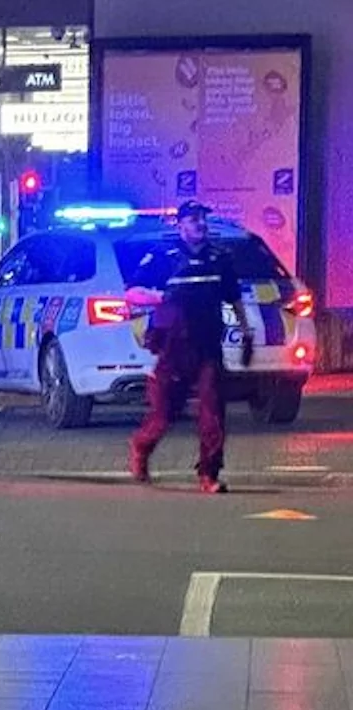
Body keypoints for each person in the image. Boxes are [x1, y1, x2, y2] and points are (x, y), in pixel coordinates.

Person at [125, 200, 254, 494]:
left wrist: (246, 333)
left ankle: (209, 473)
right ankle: (141, 449)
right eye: (194, 219)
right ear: (180, 225)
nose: (200, 224)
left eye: (203, 219)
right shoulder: (163, 257)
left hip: (208, 344)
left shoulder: (220, 258)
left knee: (213, 410)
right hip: (173, 347)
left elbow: (234, 298)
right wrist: (159, 297)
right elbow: (131, 293)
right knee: (164, 412)